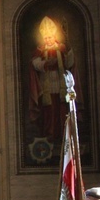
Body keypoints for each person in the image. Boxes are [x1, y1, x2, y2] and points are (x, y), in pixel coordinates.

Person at [28, 15, 76, 144]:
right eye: (46, 38)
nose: (48, 40)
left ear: (55, 37)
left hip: (61, 82)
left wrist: (68, 50)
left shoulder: (61, 48)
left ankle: (63, 133)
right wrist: (46, 63)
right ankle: (49, 133)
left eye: (50, 37)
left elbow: (70, 63)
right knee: (49, 110)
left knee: (61, 108)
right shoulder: (41, 50)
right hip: (47, 82)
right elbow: (34, 63)